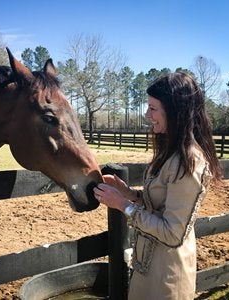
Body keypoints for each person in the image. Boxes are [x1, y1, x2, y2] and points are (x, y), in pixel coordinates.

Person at [94, 72, 222, 299]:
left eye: (153, 108)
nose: (146, 114)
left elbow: (173, 234)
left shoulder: (189, 162)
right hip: (148, 266)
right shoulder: (171, 153)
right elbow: (160, 204)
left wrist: (123, 205)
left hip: (168, 275)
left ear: (174, 112)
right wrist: (129, 193)